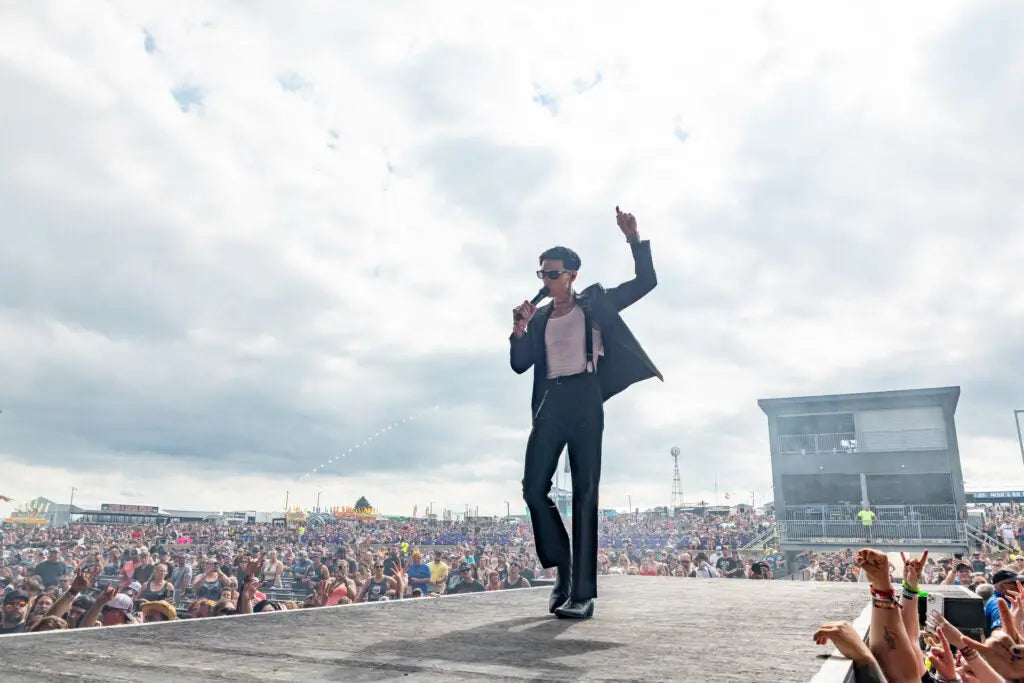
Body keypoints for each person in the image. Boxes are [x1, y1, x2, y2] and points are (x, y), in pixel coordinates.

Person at [510, 207, 661, 619]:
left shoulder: (594, 303)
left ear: (572, 275)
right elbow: (520, 364)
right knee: (533, 488)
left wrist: (634, 239)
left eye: (552, 273)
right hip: (551, 402)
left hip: (585, 398)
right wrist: (519, 329)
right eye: (542, 273)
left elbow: (646, 282)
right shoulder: (540, 317)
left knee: (584, 493)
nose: (546, 280)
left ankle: (582, 594)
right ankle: (564, 567)